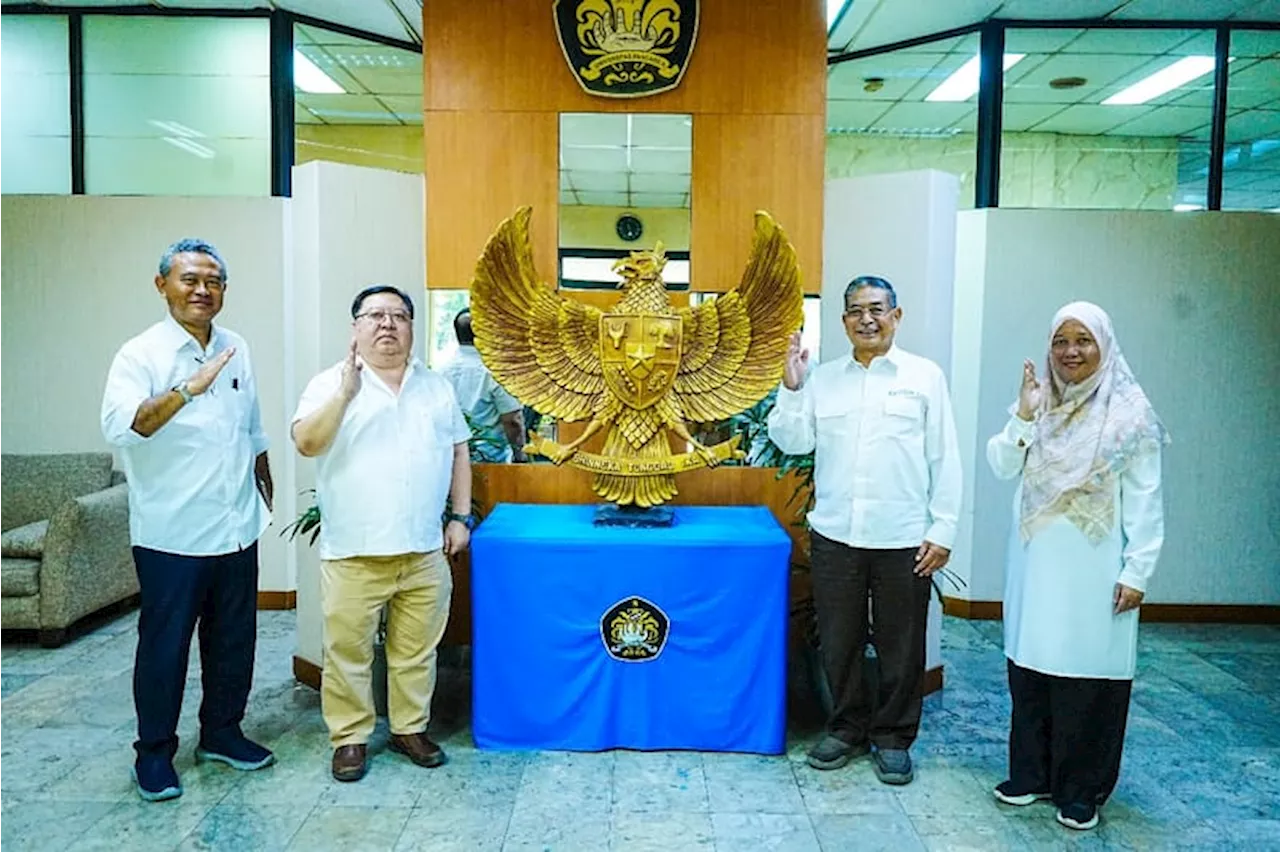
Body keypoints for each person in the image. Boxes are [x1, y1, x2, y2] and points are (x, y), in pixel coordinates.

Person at [101, 238, 276, 802]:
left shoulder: (237, 346)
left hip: (235, 526)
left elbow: (250, 425)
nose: (202, 290)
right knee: (164, 647)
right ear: (162, 286)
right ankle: (154, 753)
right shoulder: (140, 354)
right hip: (171, 535)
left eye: (214, 281)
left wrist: (263, 482)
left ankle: (222, 732)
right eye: (189, 279)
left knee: (233, 641)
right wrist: (186, 390)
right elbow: (127, 426)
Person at [768, 275, 961, 786]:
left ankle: (894, 737)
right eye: (856, 311)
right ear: (844, 321)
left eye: (877, 309)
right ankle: (847, 727)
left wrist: (942, 530)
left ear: (896, 316)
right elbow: (791, 442)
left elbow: (945, 458)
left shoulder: (924, 378)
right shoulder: (823, 379)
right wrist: (791, 387)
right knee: (839, 640)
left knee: (901, 643)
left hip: (904, 538)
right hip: (836, 536)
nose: (867, 319)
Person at [986, 301, 1168, 832]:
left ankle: (1081, 789)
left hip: (1096, 568)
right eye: (1061, 341)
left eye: (1083, 341)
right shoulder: (1038, 403)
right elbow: (1001, 465)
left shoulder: (1129, 415)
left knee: (1088, 678)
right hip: (1035, 565)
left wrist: (1138, 571)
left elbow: (1146, 498)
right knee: (1032, 668)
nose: (1070, 352)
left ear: (1104, 347)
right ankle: (1032, 774)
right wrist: (1022, 413)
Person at [292, 285, 473, 783]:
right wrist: (346, 395)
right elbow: (306, 442)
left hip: (423, 550)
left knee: (416, 651)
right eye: (375, 315)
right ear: (355, 327)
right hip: (354, 552)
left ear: (413, 327)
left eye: (399, 315)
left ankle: (410, 729)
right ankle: (350, 738)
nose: (387, 324)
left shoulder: (435, 386)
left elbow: (459, 451)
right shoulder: (329, 383)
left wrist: (460, 517)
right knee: (347, 653)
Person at [439, 308, 527, 462]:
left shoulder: (441, 373)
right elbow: (513, 421)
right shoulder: (495, 373)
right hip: (492, 462)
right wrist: (520, 456)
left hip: (451, 462)